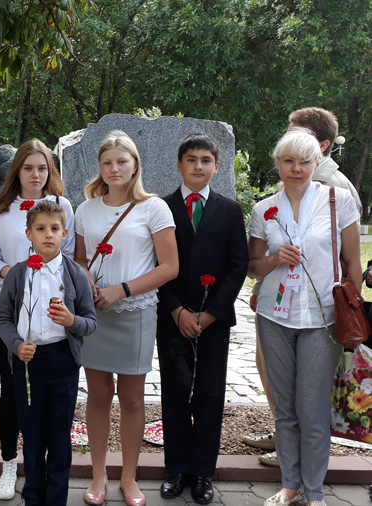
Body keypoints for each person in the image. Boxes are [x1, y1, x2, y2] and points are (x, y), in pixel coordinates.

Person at [242, 106, 363, 467]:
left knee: (311, 398)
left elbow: (350, 260)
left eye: (304, 155)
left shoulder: (337, 192)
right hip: (277, 310)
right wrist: (268, 274)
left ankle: (308, 470)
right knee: (281, 390)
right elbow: (255, 262)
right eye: (288, 157)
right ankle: (287, 450)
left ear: (320, 150)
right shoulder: (268, 206)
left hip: (321, 313)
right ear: (278, 162)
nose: (296, 166)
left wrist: (352, 307)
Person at [73, 130, 178, 506]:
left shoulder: (154, 208)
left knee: (132, 399)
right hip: (95, 313)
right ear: (99, 167)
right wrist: (87, 280)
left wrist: (123, 290)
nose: (114, 168)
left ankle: (129, 477)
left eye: (121, 161)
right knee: (98, 395)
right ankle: (99, 474)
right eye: (107, 162)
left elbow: (169, 266)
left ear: (135, 165)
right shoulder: (85, 210)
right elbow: (80, 260)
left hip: (135, 312)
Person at [156, 134, 248, 504]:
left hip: (214, 320)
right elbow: (154, 263)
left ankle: (202, 473)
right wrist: (176, 309)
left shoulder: (229, 210)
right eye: (191, 159)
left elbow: (237, 266)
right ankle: (177, 468)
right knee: (175, 390)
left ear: (217, 166)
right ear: (179, 165)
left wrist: (211, 313)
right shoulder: (161, 208)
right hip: (173, 317)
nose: (198, 166)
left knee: (209, 393)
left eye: (206, 160)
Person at [0, 139, 75, 500]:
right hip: (11, 315)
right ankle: (10, 464)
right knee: (12, 390)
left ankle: (47, 474)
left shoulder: (62, 207)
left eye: (42, 168)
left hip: (52, 317)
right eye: (28, 168)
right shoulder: (0, 211)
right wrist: (11, 272)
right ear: (17, 171)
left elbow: (69, 254)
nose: (35, 175)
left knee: (50, 398)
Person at [0, 200, 97, 506]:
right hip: (28, 362)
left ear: (65, 233)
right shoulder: (18, 274)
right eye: (40, 229)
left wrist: (71, 320)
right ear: (29, 234)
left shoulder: (75, 274)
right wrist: (16, 345)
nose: (48, 234)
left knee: (59, 436)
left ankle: (56, 499)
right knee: (33, 436)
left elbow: (90, 322)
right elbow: (1, 319)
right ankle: (33, 498)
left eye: (54, 228)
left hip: (63, 361)